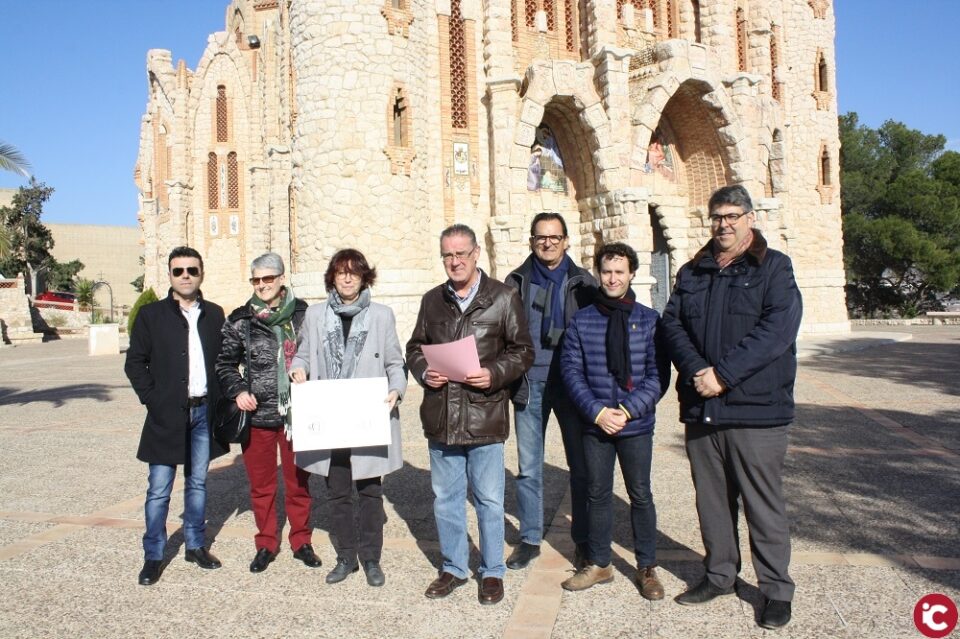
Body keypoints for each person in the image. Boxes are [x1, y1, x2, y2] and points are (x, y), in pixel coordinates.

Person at [661, 185, 802, 629]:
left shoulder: (774, 267)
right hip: (703, 409)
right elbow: (672, 325)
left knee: (764, 506)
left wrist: (723, 375)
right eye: (717, 216)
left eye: (732, 215)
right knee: (713, 503)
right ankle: (720, 575)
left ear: (750, 218)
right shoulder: (693, 271)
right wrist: (697, 369)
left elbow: (777, 331)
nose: (724, 224)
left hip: (756, 412)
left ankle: (776, 590)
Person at [406, 224, 534, 605]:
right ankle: (453, 568)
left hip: (484, 414)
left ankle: (492, 571)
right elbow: (415, 347)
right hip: (442, 415)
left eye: (461, 253)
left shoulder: (503, 297)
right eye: (448, 254)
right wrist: (424, 371)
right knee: (445, 498)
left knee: (490, 499)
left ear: (476, 253)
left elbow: (523, 351)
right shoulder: (432, 301)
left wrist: (493, 373)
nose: (454, 261)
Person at [290, 249, 406, 588]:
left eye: (354, 272)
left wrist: (397, 389)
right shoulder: (314, 315)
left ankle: (371, 558)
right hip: (331, 417)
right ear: (332, 277)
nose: (347, 278)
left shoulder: (382, 315)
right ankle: (346, 556)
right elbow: (302, 353)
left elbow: (394, 362)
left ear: (364, 276)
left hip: (366, 415)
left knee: (370, 491)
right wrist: (299, 369)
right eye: (341, 272)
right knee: (337, 491)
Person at [559, 242, 669, 599]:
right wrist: (598, 412)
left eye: (620, 271)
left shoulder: (649, 320)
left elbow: (658, 376)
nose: (612, 278)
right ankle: (600, 562)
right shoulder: (583, 320)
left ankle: (647, 567)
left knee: (640, 494)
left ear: (632, 274)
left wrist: (628, 410)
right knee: (597, 493)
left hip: (635, 425)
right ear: (598, 273)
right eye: (606, 271)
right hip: (596, 424)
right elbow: (571, 371)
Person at [125, 246, 227, 586]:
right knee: (159, 489)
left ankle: (195, 545)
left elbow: (225, 360)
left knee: (197, 484)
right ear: (170, 274)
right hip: (166, 415)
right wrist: (154, 400)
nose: (185, 276)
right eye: (179, 270)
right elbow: (135, 363)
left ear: (201, 274)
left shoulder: (214, 314)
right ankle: (153, 555)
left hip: (202, 413)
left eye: (192, 270)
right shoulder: (151, 315)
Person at [504, 212, 597, 570]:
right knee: (529, 467)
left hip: (573, 385)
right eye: (541, 237)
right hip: (530, 383)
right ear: (532, 241)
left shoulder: (583, 282)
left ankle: (585, 539)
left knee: (581, 464)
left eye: (555, 237)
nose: (548, 243)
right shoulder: (516, 282)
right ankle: (529, 538)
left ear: (566, 241)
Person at [215, 252, 319, 574]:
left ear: (281, 279)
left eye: (268, 279)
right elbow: (225, 364)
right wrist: (238, 390)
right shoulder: (240, 319)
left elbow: (317, 355)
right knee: (261, 486)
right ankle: (266, 543)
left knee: (299, 482)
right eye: (256, 280)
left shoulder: (304, 315)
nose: (262, 285)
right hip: (257, 415)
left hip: (295, 416)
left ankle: (301, 540)